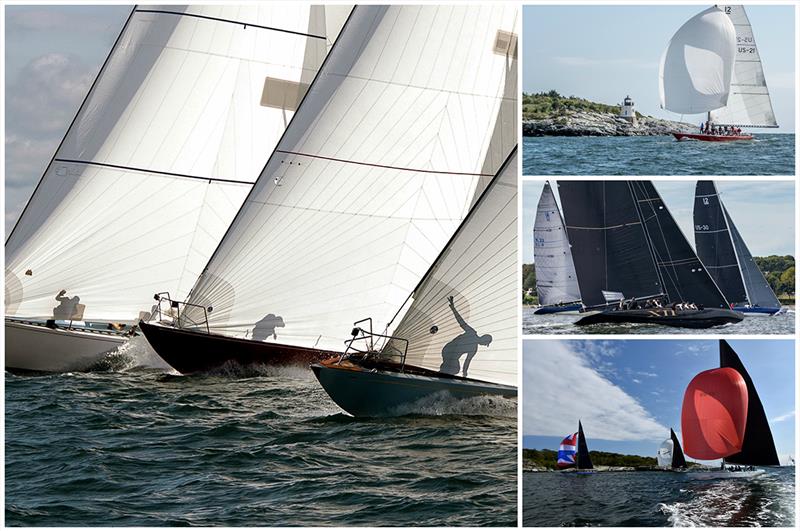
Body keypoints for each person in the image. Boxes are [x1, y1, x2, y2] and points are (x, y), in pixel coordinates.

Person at [439, 295, 491, 378]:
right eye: (486, 343)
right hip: (448, 350)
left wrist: (464, 375)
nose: (485, 345)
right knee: (452, 369)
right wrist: (453, 308)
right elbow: (461, 322)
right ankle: (440, 374)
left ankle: (441, 374)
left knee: (454, 369)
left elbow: (467, 363)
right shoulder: (472, 333)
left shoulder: (474, 349)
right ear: (484, 339)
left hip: (452, 356)